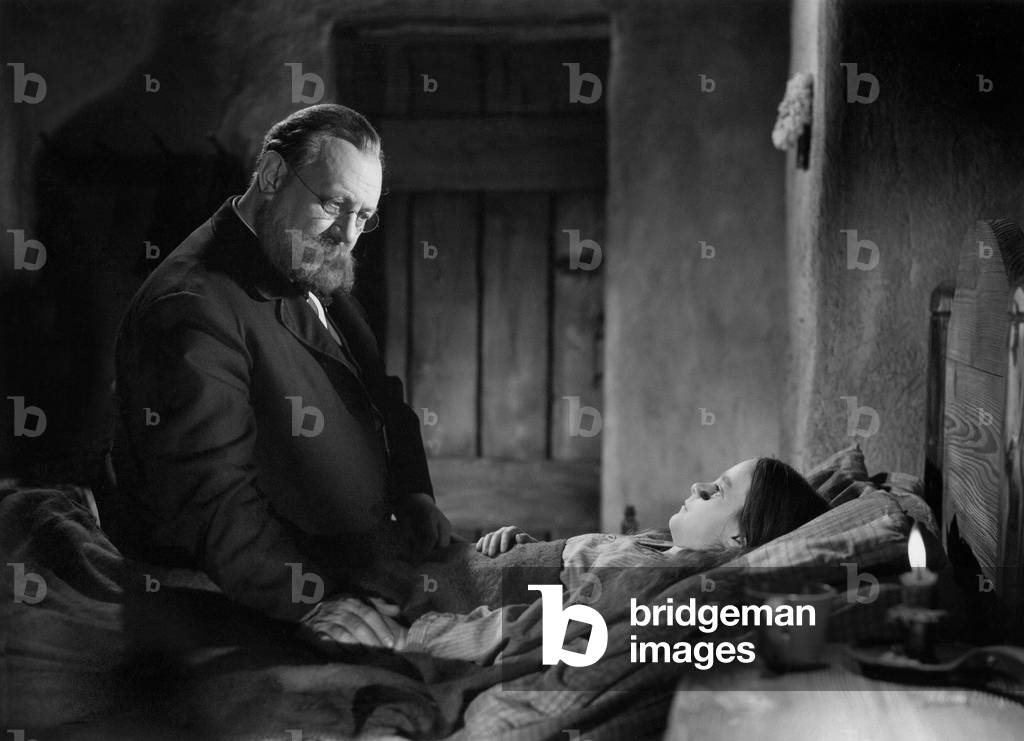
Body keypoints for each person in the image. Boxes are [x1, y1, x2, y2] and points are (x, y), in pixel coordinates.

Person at [106, 104, 449, 650]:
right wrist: (310, 603)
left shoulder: (302, 254)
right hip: (257, 600)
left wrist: (413, 492)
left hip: (361, 562)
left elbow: (379, 393)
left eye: (364, 215)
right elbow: (211, 501)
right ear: (271, 175)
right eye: (334, 204)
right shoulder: (191, 304)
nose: (348, 234)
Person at [393, 457, 828, 660]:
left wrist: (419, 637)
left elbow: (545, 631)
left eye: (717, 491)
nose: (698, 486)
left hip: (433, 603)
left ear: (739, 538)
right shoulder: (654, 549)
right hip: (455, 566)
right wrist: (525, 548)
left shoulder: (651, 578)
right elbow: (574, 573)